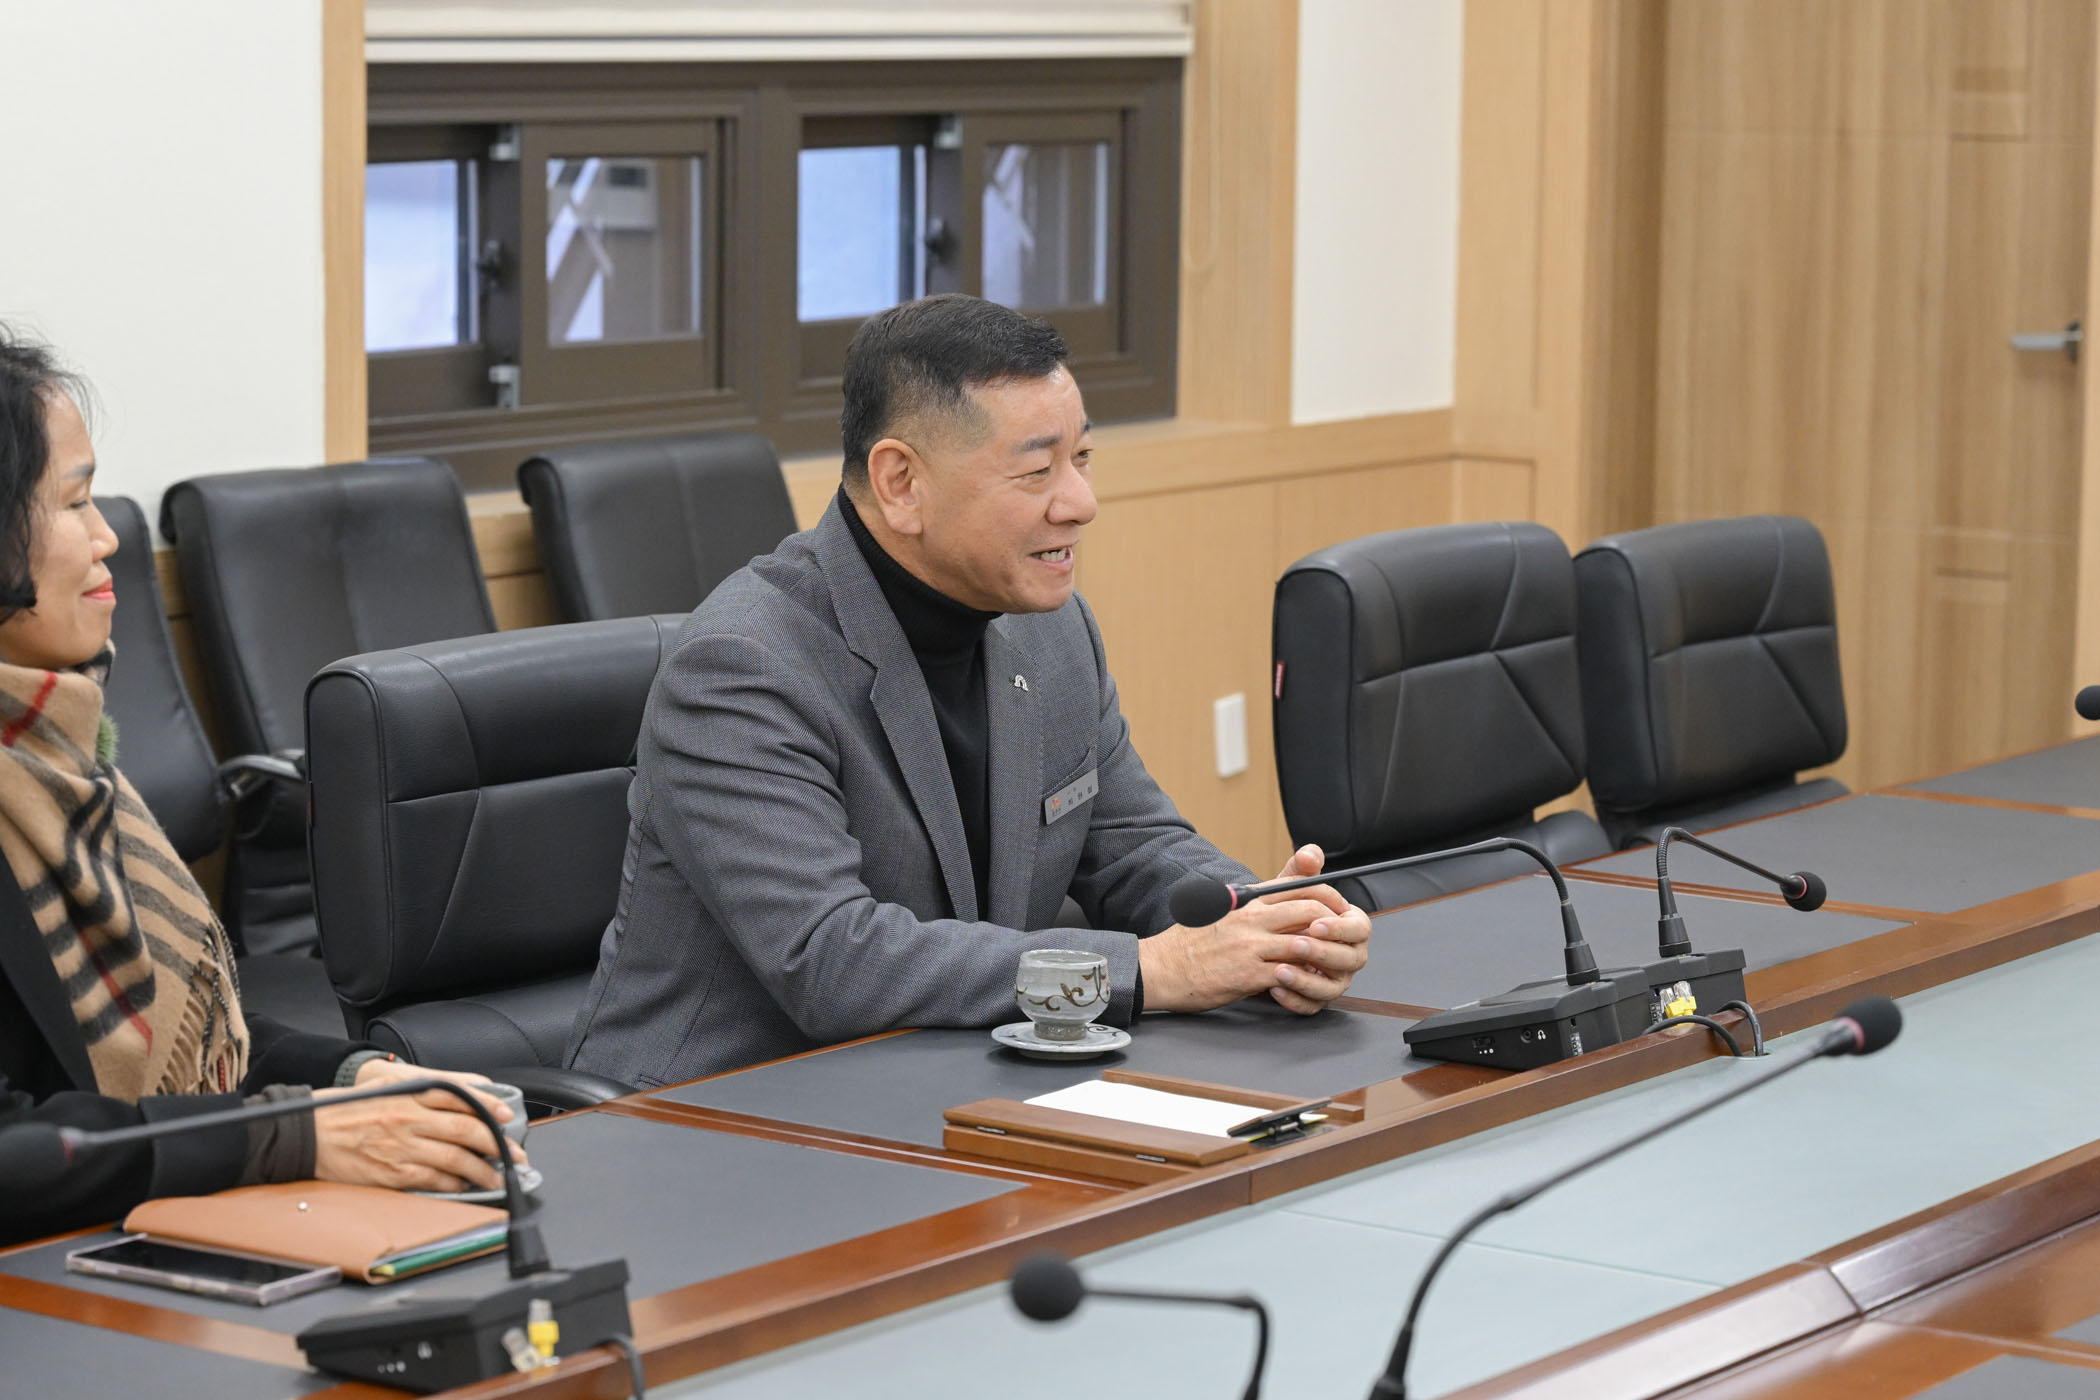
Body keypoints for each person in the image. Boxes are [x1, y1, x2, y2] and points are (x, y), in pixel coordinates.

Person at [567, 294, 1372, 1087]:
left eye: (1082, 458)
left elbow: (1134, 846)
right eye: (1036, 470)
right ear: (901, 483)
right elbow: (832, 960)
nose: (1081, 503)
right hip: (717, 1115)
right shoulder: (741, 667)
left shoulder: (1053, 629)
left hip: (952, 1079)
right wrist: (1152, 970)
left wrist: (1266, 927)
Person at [0, 329, 523, 1247]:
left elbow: (199, 1039)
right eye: (75, 502)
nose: (107, 536)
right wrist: (289, 1136)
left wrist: (356, 1080)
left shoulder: (59, 754)